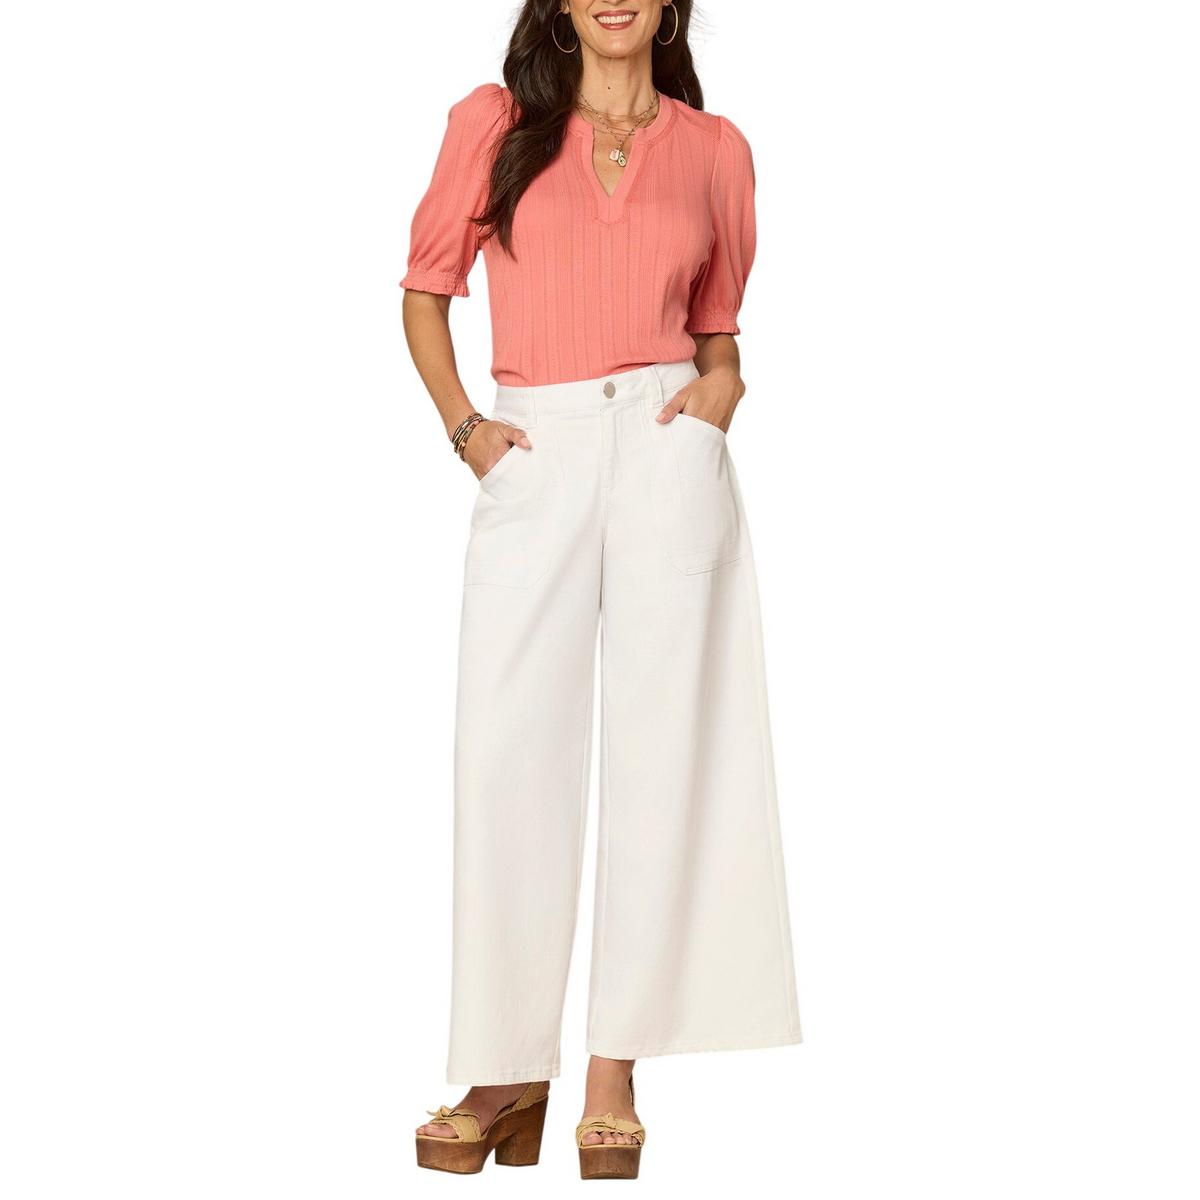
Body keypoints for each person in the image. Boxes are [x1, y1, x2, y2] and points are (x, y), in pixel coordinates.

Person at [400, 0, 801, 1179]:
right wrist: (466, 430)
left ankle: (613, 1069)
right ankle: (504, 1068)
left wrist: (721, 393)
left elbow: (719, 326)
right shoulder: (494, 125)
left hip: (670, 445)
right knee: (506, 753)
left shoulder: (715, 149)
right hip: (536, 447)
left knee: (663, 752)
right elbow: (426, 290)